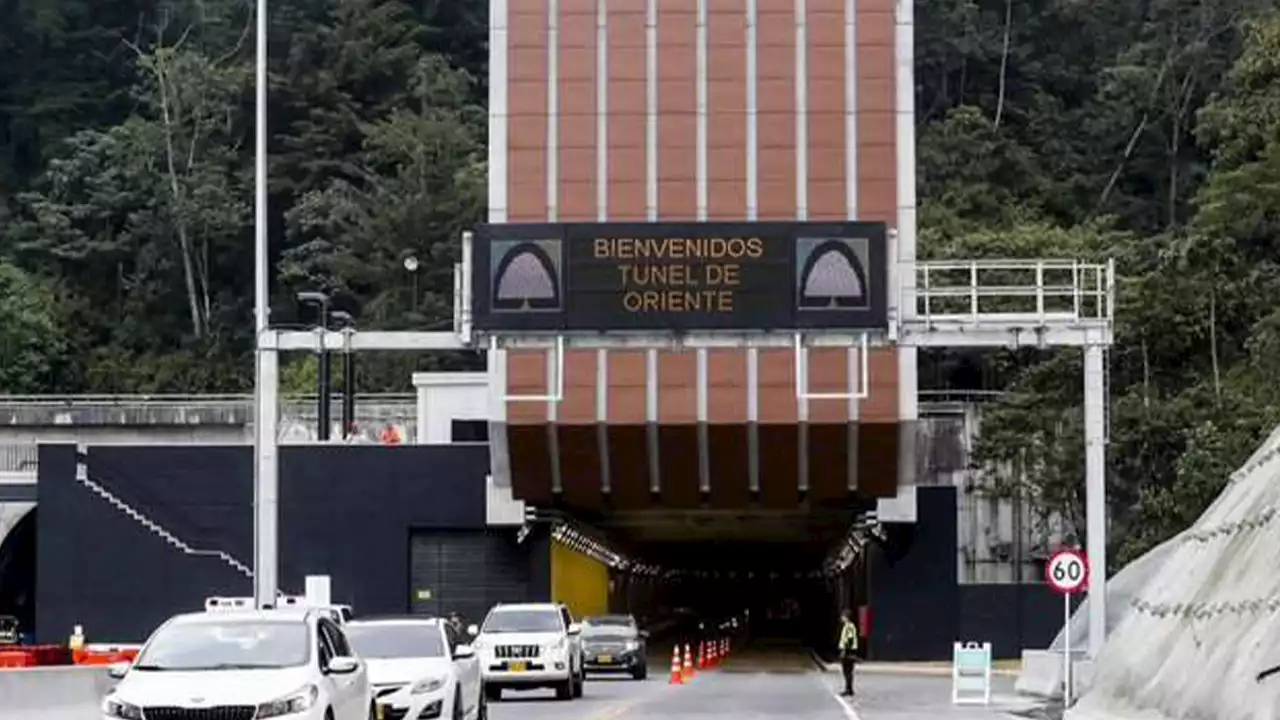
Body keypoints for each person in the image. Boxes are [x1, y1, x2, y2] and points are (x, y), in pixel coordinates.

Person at [837, 609, 859, 696]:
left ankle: (848, 689)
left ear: (846, 617)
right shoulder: (848, 626)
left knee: (847, 671)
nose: (841, 618)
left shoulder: (849, 627)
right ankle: (849, 688)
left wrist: (844, 651)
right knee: (848, 671)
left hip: (848, 650)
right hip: (849, 650)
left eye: (843, 616)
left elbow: (849, 640)